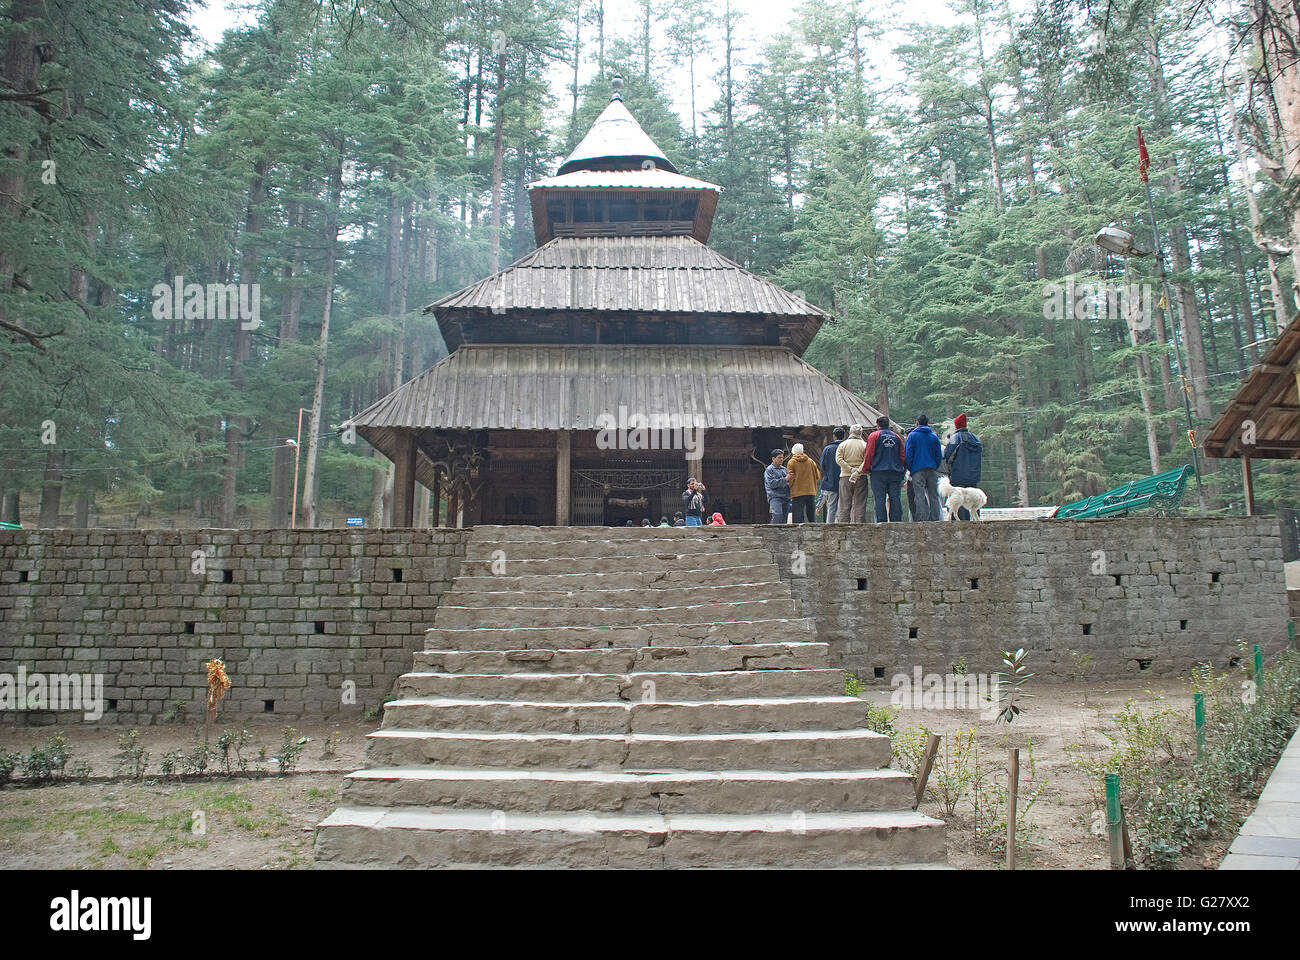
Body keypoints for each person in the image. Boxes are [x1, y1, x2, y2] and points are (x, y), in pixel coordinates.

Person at [942, 413, 984, 520]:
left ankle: (960, 523)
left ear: (957, 425)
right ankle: (974, 522)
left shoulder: (955, 438)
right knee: (974, 499)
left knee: (959, 500)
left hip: (958, 474)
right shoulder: (975, 439)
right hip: (973, 475)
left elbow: (947, 455)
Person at [865, 416, 905, 523]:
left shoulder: (874, 436)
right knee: (895, 497)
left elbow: (869, 453)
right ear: (889, 424)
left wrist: (867, 468)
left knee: (879, 498)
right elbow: (902, 455)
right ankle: (896, 521)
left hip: (878, 472)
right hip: (895, 472)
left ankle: (881, 522)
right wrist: (902, 471)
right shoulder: (896, 437)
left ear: (878, 425)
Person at [905, 414, 944, 522]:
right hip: (932, 469)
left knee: (919, 495)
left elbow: (908, 454)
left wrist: (910, 468)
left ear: (917, 423)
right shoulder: (934, 436)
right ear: (928, 423)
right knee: (934, 495)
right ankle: (935, 518)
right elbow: (938, 455)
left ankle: (921, 519)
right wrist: (935, 465)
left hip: (917, 470)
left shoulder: (912, 436)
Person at [836, 424, 868, 523]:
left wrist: (850, 469)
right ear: (861, 433)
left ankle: (843, 525)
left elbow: (838, 459)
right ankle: (859, 525)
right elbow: (867, 460)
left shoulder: (843, 445)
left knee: (844, 503)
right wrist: (857, 471)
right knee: (860, 503)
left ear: (850, 432)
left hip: (845, 477)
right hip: (861, 477)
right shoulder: (865, 445)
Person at [785, 442, 822, 523]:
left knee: (798, 516)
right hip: (810, 491)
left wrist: (790, 487)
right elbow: (818, 476)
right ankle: (813, 529)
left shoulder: (791, 462)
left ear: (793, 452)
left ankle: (799, 532)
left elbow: (790, 478)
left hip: (797, 492)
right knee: (811, 515)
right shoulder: (811, 461)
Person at [818, 426, 846, 522]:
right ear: (844, 436)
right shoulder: (846, 447)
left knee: (832, 508)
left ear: (834, 436)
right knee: (845, 508)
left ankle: (830, 528)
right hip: (846, 482)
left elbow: (822, 465)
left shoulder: (828, 449)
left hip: (831, 482)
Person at [763, 449, 791, 524]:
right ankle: (771, 532)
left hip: (786, 497)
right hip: (775, 497)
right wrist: (785, 479)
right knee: (778, 515)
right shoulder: (769, 470)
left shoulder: (785, 470)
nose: (781, 459)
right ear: (773, 458)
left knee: (784, 520)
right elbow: (771, 483)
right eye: (779, 457)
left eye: (782, 457)